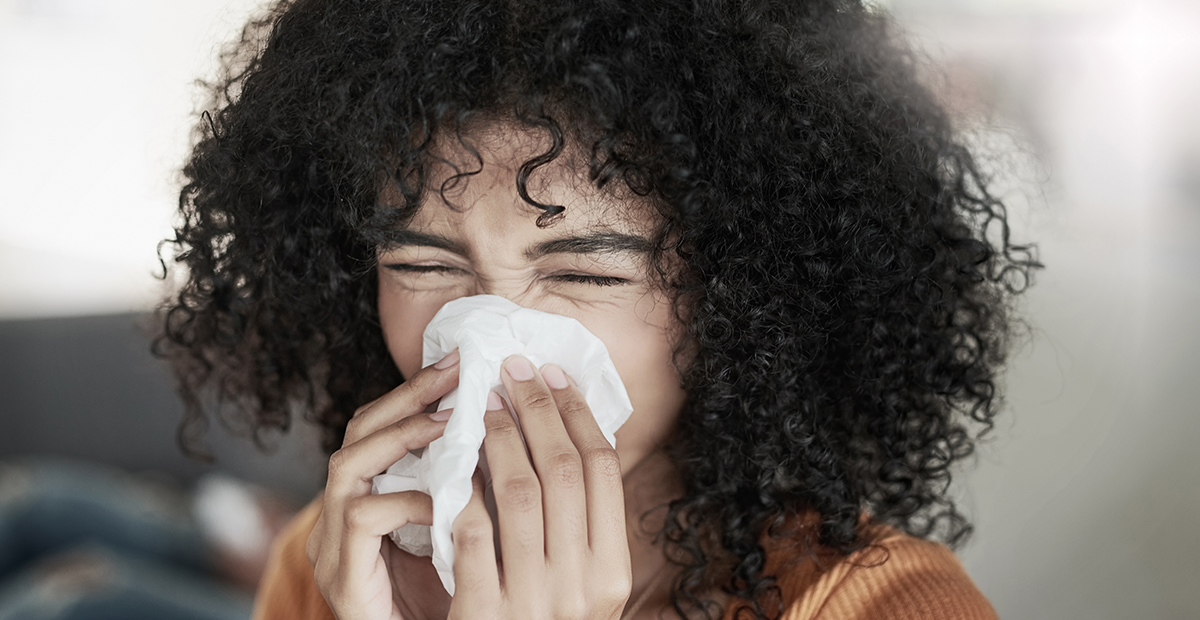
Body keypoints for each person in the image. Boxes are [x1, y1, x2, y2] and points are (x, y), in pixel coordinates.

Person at [157, 0, 1038, 618]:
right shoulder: (337, 561)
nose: (488, 352)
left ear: (743, 300)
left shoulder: (887, 609)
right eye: (423, 261)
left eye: (586, 275)